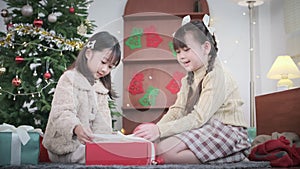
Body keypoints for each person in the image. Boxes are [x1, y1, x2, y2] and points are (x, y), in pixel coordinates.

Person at [133, 19, 251, 164]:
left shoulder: (217, 75)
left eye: (186, 49)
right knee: (159, 145)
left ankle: (237, 154)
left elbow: (198, 118)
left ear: (206, 47)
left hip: (227, 130)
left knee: (165, 152)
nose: (181, 56)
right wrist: (156, 130)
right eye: (178, 52)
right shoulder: (189, 79)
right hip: (206, 128)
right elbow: (177, 110)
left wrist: (159, 131)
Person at [42, 31, 121, 164]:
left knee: (114, 152)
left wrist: (106, 140)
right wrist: (76, 127)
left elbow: (103, 123)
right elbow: (61, 113)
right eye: (103, 62)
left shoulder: (101, 88)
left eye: (110, 67)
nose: (105, 69)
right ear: (88, 53)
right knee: (96, 156)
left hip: (87, 146)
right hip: (64, 148)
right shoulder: (69, 78)